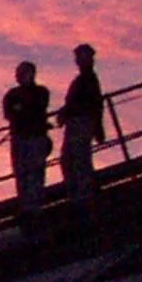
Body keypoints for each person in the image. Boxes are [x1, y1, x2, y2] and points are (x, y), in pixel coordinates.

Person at [2, 61, 53, 214]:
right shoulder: (12, 95)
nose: (18, 76)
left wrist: (22, 110)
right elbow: (10, 114)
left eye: (21, 73)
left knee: (35, 173)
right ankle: (27, 207)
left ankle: (34, 207)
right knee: (22, 173)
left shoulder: (41, 92)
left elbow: (34, 109)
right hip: (20, 138)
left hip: (35, 138)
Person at [58, 43, 105, 203]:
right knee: (73, 158)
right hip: (79, 123)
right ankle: (80, 191)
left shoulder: (87, 80)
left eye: (82, 57)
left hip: (81, 123)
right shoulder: (85, 80)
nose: (79, 61)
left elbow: (91, 104)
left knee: (76, 158)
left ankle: (82, 192)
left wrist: (98, 127)